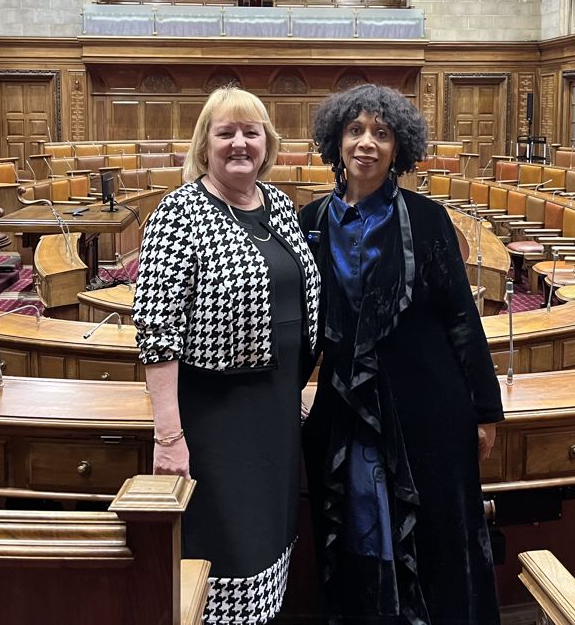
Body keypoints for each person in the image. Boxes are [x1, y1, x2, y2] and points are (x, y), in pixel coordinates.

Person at [299, 84, 504, 625]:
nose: (367, 143)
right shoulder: (311, 220)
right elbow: (304, 324)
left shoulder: (427, 218)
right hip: (345, 405)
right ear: (336, 141)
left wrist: (485, 410)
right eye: (356, 131)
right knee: (354, 519)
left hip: (425, 404)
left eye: (381, 134)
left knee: (432, 530)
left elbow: (461, 316)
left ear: (398, 148)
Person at [134, 86, 321, 624]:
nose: (240, 143)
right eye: (226, 133)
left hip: (276, 410)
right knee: (229, 548)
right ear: (205, 144)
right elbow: (156, 329)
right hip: (216, 417)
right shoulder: (181, 212)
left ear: (267, 142)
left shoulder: (279, 204)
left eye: (251, 132)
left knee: (270, 537)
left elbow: (295, 300)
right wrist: (168, 435)